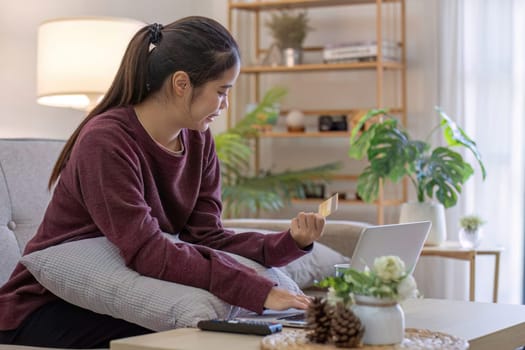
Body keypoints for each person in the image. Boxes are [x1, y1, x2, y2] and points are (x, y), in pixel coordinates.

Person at [0, 16, 325, 348]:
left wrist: (287, 244)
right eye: (221, 91)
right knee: (197, 336)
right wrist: (253, 289)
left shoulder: (199, 141)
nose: (225, 105)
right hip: (42, 308)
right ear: (181, 83)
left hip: (111, 294)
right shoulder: (106, 141)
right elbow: (147, 250)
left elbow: (206, 236)